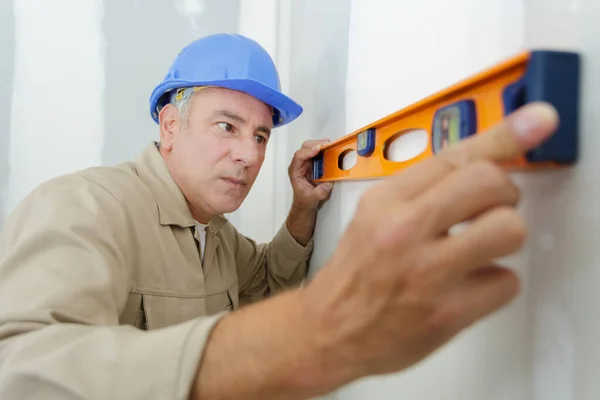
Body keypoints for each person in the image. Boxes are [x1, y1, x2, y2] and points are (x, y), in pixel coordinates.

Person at [0, 33, 559, 400]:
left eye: (261, 134)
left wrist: (302, 207)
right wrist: (315, 334)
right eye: (226, 126)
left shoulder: (212, 234)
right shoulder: (83, 208)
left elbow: (267, 284)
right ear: (169, 125)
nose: (249, 154)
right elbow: (18, 371)